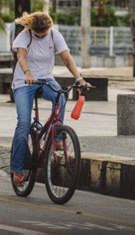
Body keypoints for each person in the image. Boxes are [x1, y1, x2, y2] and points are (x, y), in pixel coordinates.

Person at [10, 12, 91, 186]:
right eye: (39, 33)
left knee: (61, 96)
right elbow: (21, 56)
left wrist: (79, 78)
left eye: (44, 33)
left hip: (46, 79)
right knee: (23, 124)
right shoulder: (25, 36)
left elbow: (67, 59)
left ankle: (57, 137)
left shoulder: (54, 34)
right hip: (24, 82)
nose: (42, 36)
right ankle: (18, 168)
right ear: (32, 29)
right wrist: (28, 73)